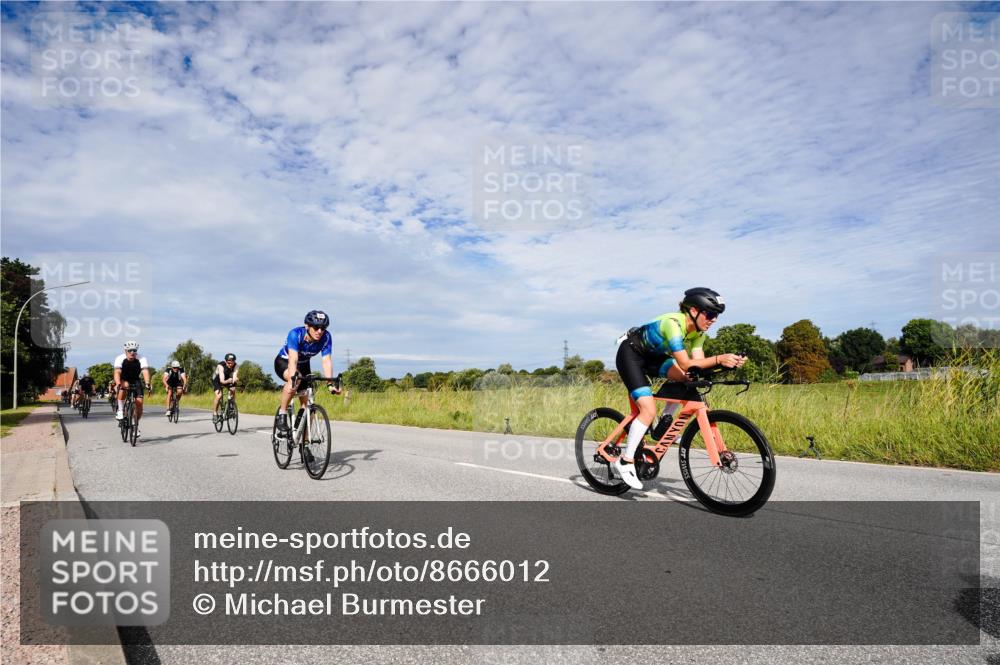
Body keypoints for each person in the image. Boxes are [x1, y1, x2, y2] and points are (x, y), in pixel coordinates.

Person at [613, 287, 746, 490]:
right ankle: (625, 461)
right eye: (710, 314)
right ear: (693, 311)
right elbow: (685, 363)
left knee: (689, 378)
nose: (713, 320)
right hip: (630, 354)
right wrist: (720, 358)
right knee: (648, 410)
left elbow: (696, 365)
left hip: (653, 358)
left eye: (717, 316)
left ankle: (664, 424)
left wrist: (727, 363)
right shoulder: (673, 325)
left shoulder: (699, 333)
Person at [273, 310, 340, 435]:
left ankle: (305, 444)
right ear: (307, 326)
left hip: (304, 365)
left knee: (309, 406)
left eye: (323, 328)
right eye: (316, 327)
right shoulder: (295, 334)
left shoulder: (326, 337)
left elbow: (326, 361)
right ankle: (282, 414)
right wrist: (293, 380)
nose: (320, 331)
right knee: (296, 379)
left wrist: (330, 384)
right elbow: (293, 360)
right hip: (284, 362)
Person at [113, 341, 152, 433]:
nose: (132, 352)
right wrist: (118, 383)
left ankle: (135, 424)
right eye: (129, 350)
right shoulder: (120, 358)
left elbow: (145, 371)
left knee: (139, 403)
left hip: (135, 380)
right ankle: (121, 410)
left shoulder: (142, 358)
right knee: (124, 386)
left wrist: (147, 383)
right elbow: (117, 372)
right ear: (125, 351)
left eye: (134, 350)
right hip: (124, 378)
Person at [212, 353, 239, 422]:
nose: (230, 364)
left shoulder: (236, 366)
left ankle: (231, 406)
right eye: (228, 363)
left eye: (232, 363)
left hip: (227, 378)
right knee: (219, 396)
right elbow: (222, 380)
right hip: (218, 380)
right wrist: (228, 381)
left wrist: (235, 379)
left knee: (233, 389)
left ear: (234, 362)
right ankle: (215, 414)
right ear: (226, 361)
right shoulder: (221, 366)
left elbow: (235, 375)